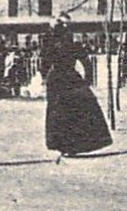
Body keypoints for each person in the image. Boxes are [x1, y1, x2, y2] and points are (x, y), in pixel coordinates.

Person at [44, 16, 112, 158]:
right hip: (70, 79)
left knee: (60, 112)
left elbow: (44, 65)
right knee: (76, 110)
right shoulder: (73, 46)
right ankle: (74, 144)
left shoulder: (52, 47)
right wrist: (86, 80)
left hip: (57, 81)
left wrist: (47, 78)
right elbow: (87, 63)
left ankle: (63, 145)